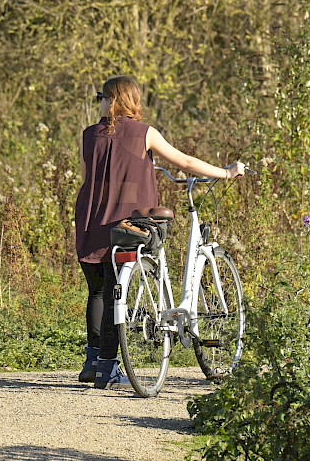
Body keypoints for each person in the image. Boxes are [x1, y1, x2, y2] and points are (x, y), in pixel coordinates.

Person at [73, 75, 246, 389]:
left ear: (112, 100)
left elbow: (87, 179)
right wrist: (225, 172)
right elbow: (184, 161)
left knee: (98, 292)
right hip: (127, 224)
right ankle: (107, 369)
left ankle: (92, 361)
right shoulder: (144, 133)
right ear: (132, 101)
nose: (98, 101)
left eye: (101, 96)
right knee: (115, 294)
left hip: (89, 221)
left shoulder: (88, 135)